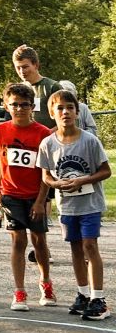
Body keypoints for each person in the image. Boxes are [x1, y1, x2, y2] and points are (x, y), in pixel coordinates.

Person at [38, 88, 111, 321]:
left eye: (70, 108)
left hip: (89, 203)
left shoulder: (90, 141)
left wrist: (83, 179)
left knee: (90, 246)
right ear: (52, 113)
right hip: (67, 205)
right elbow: (46, 175)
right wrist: (56, 183)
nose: (65, 112)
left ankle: (98, 298)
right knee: (76, 248)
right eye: (60, 108)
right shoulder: (48, 144)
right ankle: (83, 293)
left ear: (77, 112)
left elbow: (105, 171)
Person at [0, 83, 53, 311]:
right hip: (10, 194)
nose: (19, 109)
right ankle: (20, 291)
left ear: (32, 107)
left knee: (39, 241)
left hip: (35, 195)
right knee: (18, 241)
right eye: (14, 104)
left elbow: (47, 170)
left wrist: (41, 201)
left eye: (25, 105)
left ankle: (45, 282)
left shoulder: (43, 133)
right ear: (6, 105)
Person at [11, 45, 61, 130]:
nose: (21, 71)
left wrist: (47, 134)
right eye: (18, 68)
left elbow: (64, 120)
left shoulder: (53, 87)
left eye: (25, 67)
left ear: (36, 65)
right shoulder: (18, 89)